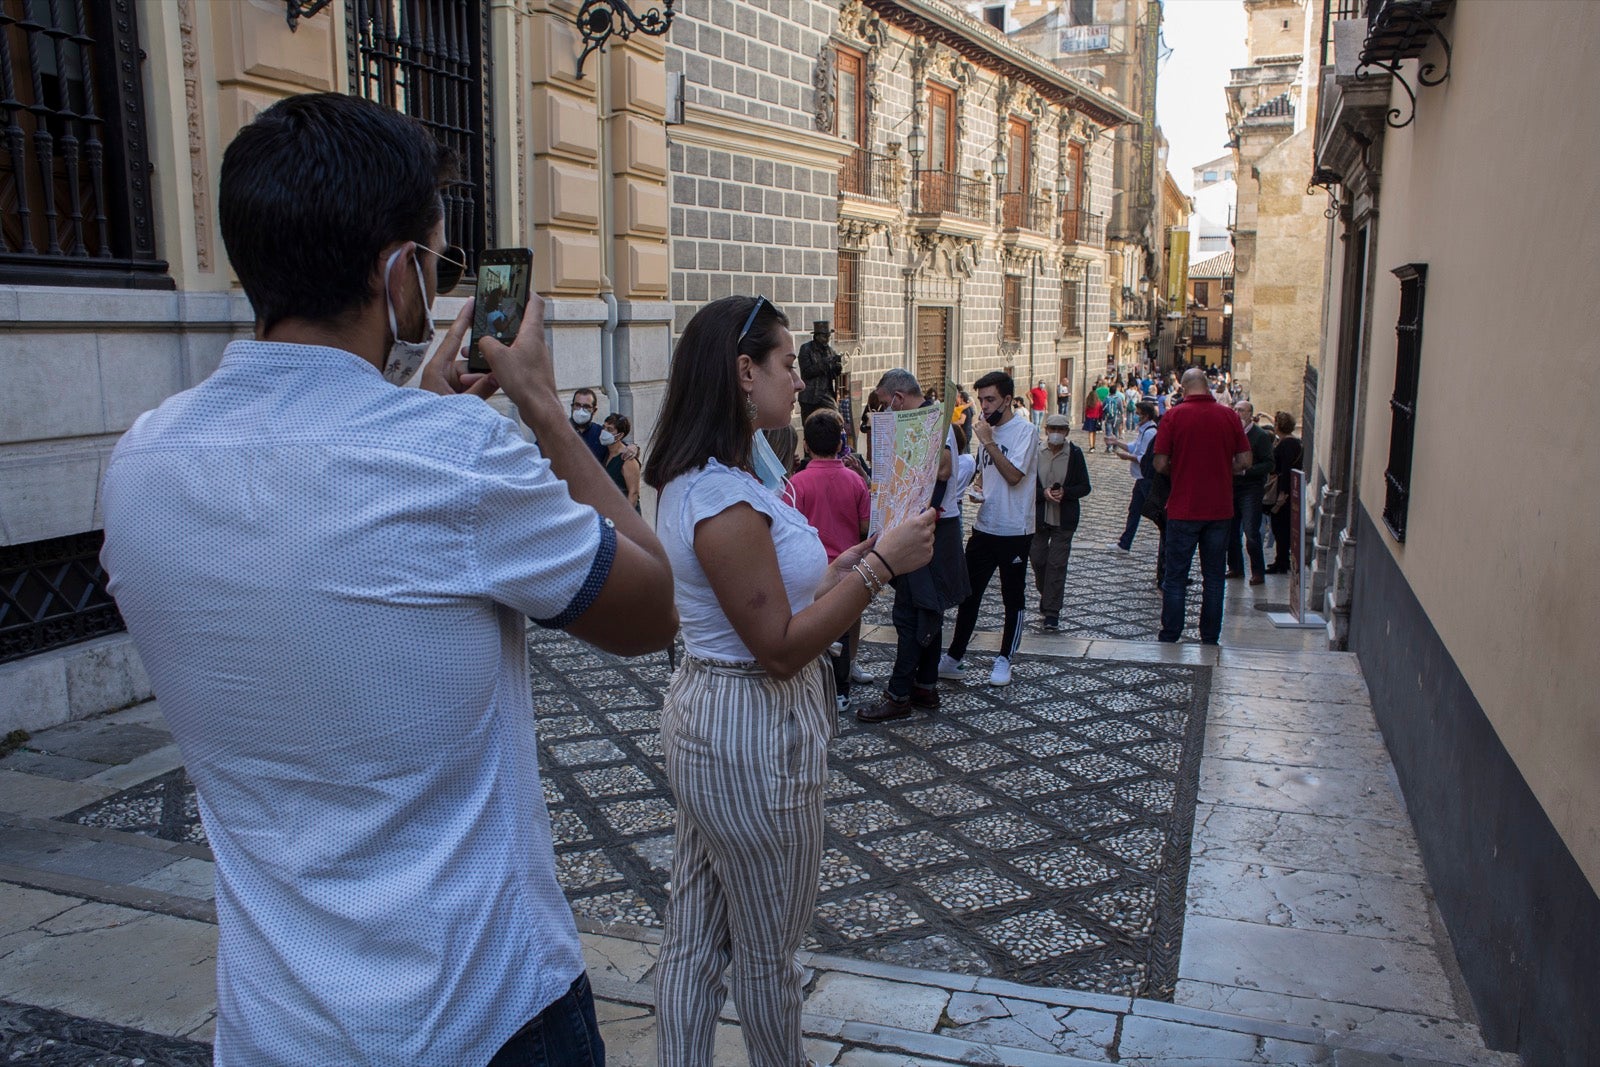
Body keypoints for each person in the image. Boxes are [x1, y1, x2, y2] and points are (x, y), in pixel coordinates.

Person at [98, 92, 678, 1065]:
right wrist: (540, 403)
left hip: (275, 1027)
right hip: (482, 1015)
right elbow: (652, 608)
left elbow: (310, 516)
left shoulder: (139, 463)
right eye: (439, 265)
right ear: (400, 270)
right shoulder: (454, 457)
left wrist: (411, 404)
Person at [644, 295, 935, 1067]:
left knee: (694, 931)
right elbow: (777, 647)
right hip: (755, 729)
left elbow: (776, 593)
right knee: (768, 949)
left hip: (718, 718)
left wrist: (845, 564)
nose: (801, 380)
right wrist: (880, 567)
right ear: (744, 372)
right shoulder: (722, 496)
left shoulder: (717, 476)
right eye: (784, 363)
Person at [859, 368, 972, 723]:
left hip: (930, 528)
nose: (884, 410)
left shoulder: (935, 423)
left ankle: (899, 695)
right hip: (923, 525)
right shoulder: (923, 421)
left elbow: (942, 473)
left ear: (898, 398)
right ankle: (925, 686)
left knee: (912, 614)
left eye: (884, 403)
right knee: (927, 611)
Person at [940, 370, 1040, 687]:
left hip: (1015, 529)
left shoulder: (1025, 432)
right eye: (981, 399)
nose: (984, 406)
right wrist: (978, 488)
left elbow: (1014, 476)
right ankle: (954, 656)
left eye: (990, 399)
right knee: (969, 594)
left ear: (1007, 400)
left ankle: (1005, 658)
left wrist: (987, 441)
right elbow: (987, 473)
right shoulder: (988, 431)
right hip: (985, 526)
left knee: (1013, 597)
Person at [1152, 368, 1251, 644]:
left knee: (1175, 576)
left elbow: (1159, 463)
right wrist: (1223, 468)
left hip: (1184, 506)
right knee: (1215, 578)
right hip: (1219, 508)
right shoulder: (1228, 416)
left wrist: (1179, 470)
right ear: (1208, 387)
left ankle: (1171, 633)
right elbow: (1245, 461)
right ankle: (1209, 636)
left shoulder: (1174, 416)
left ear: (1183, 389)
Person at [787, 408, 872, 709]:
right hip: (849, 567)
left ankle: (814, 683)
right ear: (839, 444)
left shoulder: (796, 484)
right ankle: (841, 689)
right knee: (844, 626)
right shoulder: (855, 481)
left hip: (811, 570)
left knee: (813, 627)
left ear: (806, 446)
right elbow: (865, 526)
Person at [1032, 413, 1090, 630]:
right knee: (1038, 559)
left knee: (1057, 564)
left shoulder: (1075, 454)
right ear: (1046, 430)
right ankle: (1047, 594)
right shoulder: (1035, 452)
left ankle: (1051, 611)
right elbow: (1025, 485)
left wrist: (1065, 492)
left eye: (1060, 429)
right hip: (1039, 517)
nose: (1056, 433)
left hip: (1064, 519)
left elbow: (1085, 487)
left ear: (1066, 432)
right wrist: (1043, 493)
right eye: (1052, 428)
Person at [1226, 400, 1276, 586]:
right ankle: (1235, 567)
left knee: (1251, 532)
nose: (1237, 413)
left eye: (1241, 410)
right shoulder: (1230, 433)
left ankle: (1257, 571)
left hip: (1251, 489)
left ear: (1250, 414)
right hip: (1231, 487)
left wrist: (1246, 471)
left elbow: (1269, 463)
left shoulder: (1259, 436)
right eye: (1235, 409)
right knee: (1231, 530)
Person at [1107, 399, 1160, 552]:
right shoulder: (1144, 430)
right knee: (1134, 510)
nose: (1136, 417)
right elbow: (1134, 447)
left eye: (1138, 414)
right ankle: (1124, 543)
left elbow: (1144, 457)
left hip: (1146, 478)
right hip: (1140, 477)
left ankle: (1166, 536)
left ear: (1147, 416)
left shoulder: (1150, 432)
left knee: (1154, 511)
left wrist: (1127, 458)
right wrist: (1116, 442)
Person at [1265, 411, 1304, 574]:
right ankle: (1281, 560)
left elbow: (1287, 469)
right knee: (1280, 527)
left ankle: (1281, 562)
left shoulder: (1287, 444)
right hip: (1286, 489)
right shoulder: (1293, 442)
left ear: (1278, 426)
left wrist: (1282, 494)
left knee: (1280, 527)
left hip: (1283, 491)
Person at [797, 320, 841, 421]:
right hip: (810, 396)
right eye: (825, 337)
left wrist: (837, 369)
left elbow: (832, 375)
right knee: (809, 424)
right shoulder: (806, 349)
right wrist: (825, 363)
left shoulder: (830, 351)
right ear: (817, 336)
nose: (827, 340)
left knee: (836, 419)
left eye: (829, 336)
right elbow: (806, 372)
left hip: (826, 394)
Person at [602, 412, 641, 512]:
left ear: (620, 435)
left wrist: (625, 517)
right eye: (604, 427)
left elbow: (633, 493)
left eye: (610, 430)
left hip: (624, 514)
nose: (604, 432)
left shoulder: (627, 459)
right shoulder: (606, 453)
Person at [571, 385, 607, 463]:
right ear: (572, 407)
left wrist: (632, 448)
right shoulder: (560, 431)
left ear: (594, 410)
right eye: (577, 405)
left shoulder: (601, 434)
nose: (581, 410)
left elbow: (620, 449)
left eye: (586, 407)